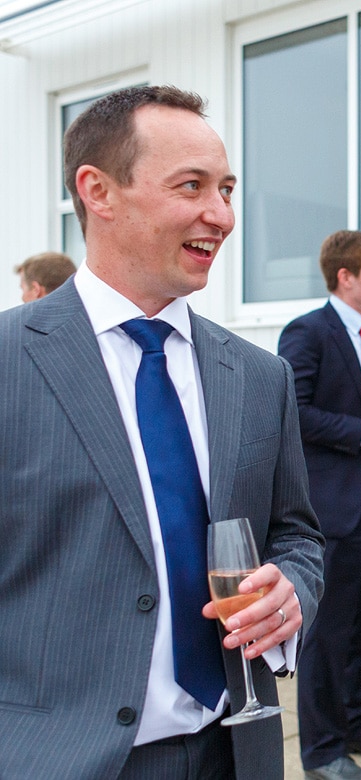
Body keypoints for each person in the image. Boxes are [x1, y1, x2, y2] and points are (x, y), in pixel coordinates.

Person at [0, 85, 324, 779]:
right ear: (98, 191)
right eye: (192, 186)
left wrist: (292, 589)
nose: (222, 214)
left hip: (233, 750)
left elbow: (297, 534)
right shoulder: (8, 361)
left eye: (227, 188)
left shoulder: (260, 377)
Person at [278, 231, 361, 779]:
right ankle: (323, 752)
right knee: (328, 633)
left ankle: (356, 723)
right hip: (335, 505)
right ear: (345, 277)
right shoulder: (307, 333)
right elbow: (294, 411)